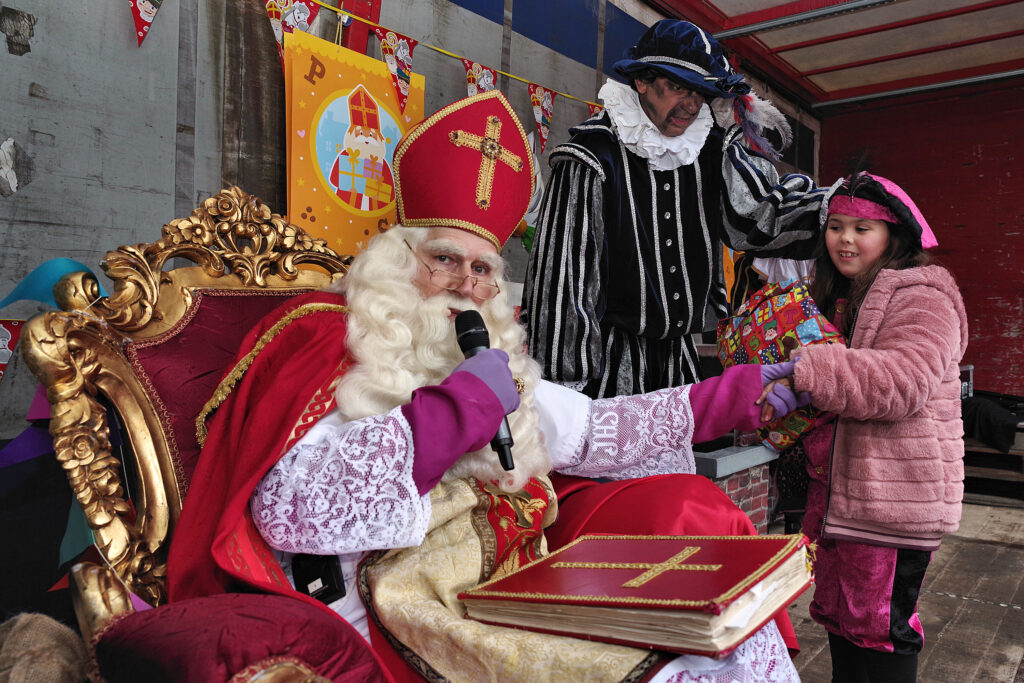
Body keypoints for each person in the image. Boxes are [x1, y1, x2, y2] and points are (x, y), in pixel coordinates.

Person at [167, 91, 806, 682]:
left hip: (503, 585)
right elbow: (293, 511)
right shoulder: (328, 339)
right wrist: (456, 411)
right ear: (396, 259)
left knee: (714, 632)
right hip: (393, 605)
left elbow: (594, 429)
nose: (466, 285)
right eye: (443, 259)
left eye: (482, 270)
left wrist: (735, 394)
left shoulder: (483, 358)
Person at [522, 19, 829, 399]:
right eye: (678, 86)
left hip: (679, 370)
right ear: (641, 81)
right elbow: (563, 285)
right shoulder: (591, 158)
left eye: (699, 92)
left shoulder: (708, 150)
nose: (690, 104)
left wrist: (838, 213)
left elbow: (757, 214)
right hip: (608, 374)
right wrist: (565, 394)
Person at [783, 172, 967, 682]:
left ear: (893, 236)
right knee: (841, 624)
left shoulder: (923, 296)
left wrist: (810, 370)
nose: (845, 239)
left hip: (893, 502)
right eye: (836, 226)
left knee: (883, 631)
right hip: (842, 496)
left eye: (863, 228)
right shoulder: (839, 295)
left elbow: (903, 382)